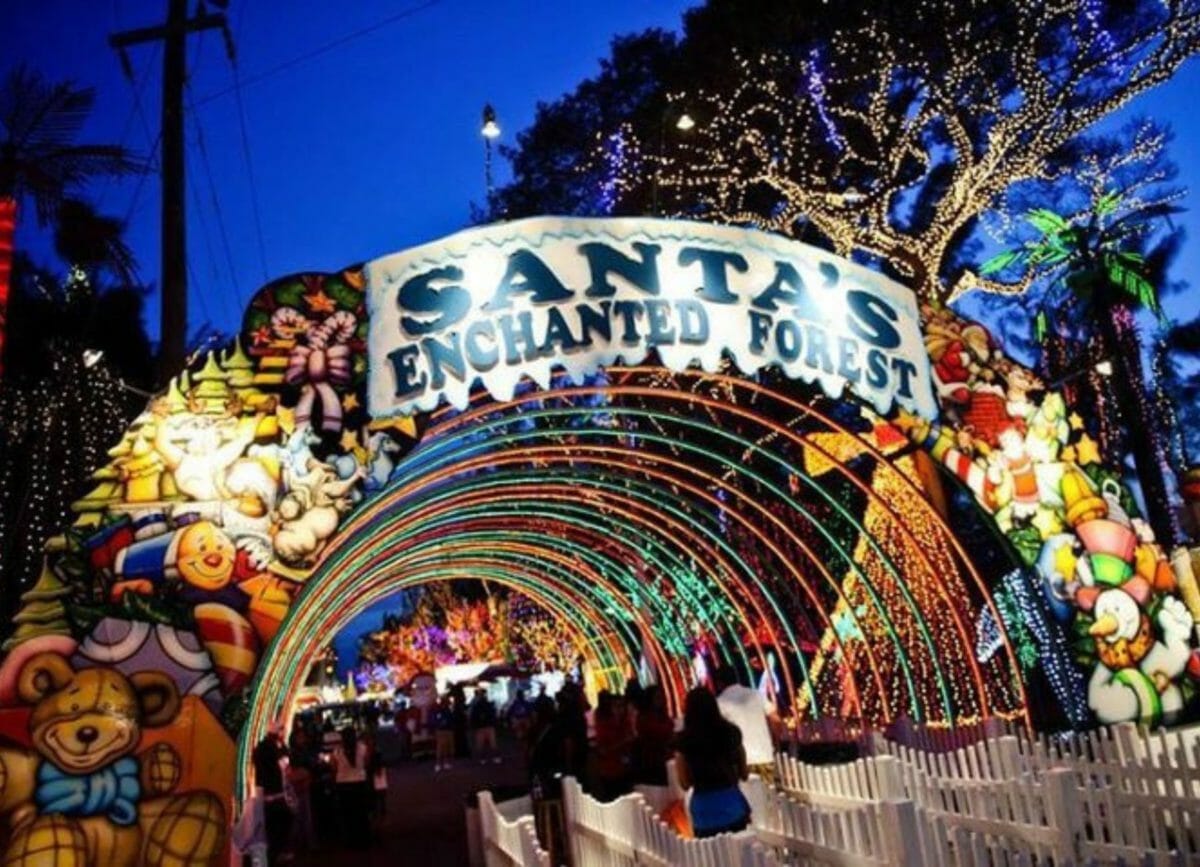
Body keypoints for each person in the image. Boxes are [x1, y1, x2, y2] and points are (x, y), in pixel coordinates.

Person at [674, 687, 750, 838]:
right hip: (732, 804)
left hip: (703, 812)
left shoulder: (683, 741)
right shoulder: (731, 733)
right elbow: (744, 773)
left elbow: (684, 783)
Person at [714, 665, 775, 783]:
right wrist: (774, 740)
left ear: (719, 683)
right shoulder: (757, 695)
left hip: (741, 761)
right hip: (765, 755)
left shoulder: (719, 703)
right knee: (768, 796)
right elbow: (775, 718)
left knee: (750, 797)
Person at [252, 724, 293, 865]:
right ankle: (276, 855)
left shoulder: (259, 749)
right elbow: (284, 765)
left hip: (262, 793)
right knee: (282, 823)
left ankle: (269, 858)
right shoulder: (274, 749)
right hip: (275, 794)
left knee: (268, 829)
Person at [332, 726, 371, 848]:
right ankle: (363, 838)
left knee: (347, 814)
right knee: (361, 812)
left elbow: (333, 767)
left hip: (343, 783)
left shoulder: (337, 751)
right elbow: (367, 763)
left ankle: (350, 839)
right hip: (359, 781)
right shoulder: (362, 747)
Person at [591, 691, 634, 800]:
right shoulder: (604, 724)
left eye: (622, 706)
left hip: (625, 767)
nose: (620, 710)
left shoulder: (625, 722)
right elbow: (603, 749)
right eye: (617, 706)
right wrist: (623, 742)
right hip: (610, 769)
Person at [633, 685, 674, 785]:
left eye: (661, 697)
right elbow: (657, 732)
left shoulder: (661, 714)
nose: (660, 700)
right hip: (653, 761)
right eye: (657, 697)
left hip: (666, 758)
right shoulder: (644, 717)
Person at [469, 688, 500, 764]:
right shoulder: (487, 705)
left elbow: (473, 717)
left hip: (483, 727)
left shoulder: (477, 706)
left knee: (483, 744)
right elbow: (493, 715)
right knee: (490, 744)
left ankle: (484, 758)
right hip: (486, 726)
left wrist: (474, 725)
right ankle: (492, 758)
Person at [432, 694, 456, 771]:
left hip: (445, 729)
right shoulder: (441, 710)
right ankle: (439, 764)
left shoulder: (445, 709)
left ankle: (444, 763)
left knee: (445, 747)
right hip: (442, 730)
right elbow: (437, 719)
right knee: (441, 747)